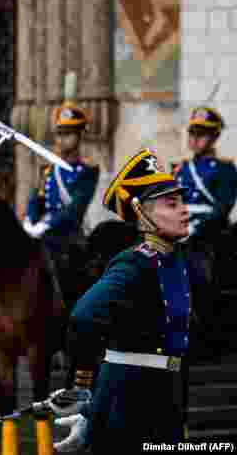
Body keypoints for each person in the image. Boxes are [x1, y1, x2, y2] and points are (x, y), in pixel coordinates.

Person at [49, 149, 191, 453]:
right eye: (171, 204)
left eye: (182, 202)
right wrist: (88, 398)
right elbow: (84, 318)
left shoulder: (174, 261)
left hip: (165, 397)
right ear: (141, 214)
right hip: (128, 400)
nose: (185, 211)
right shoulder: (134, 263)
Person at [172, 106, 237, 356]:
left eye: (202, 134)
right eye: (192, 133)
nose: (195, 139)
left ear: (214, 137)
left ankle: (203, 334)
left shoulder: (224, 169)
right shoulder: (180, 169)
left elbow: (221, 208)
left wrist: (194, 229)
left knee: (198, 273)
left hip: (207, 237)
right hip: (179, 231)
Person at [22, 99, 99, 295]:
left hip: (68, 241)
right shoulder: (48, 169)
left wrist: (46, 225)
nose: (62, 139)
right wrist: (29, 221)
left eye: (68, 133)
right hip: (42, 238)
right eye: (60, 133)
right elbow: (36, 199)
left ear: (81, 135)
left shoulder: (88, 171)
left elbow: (75, 209)